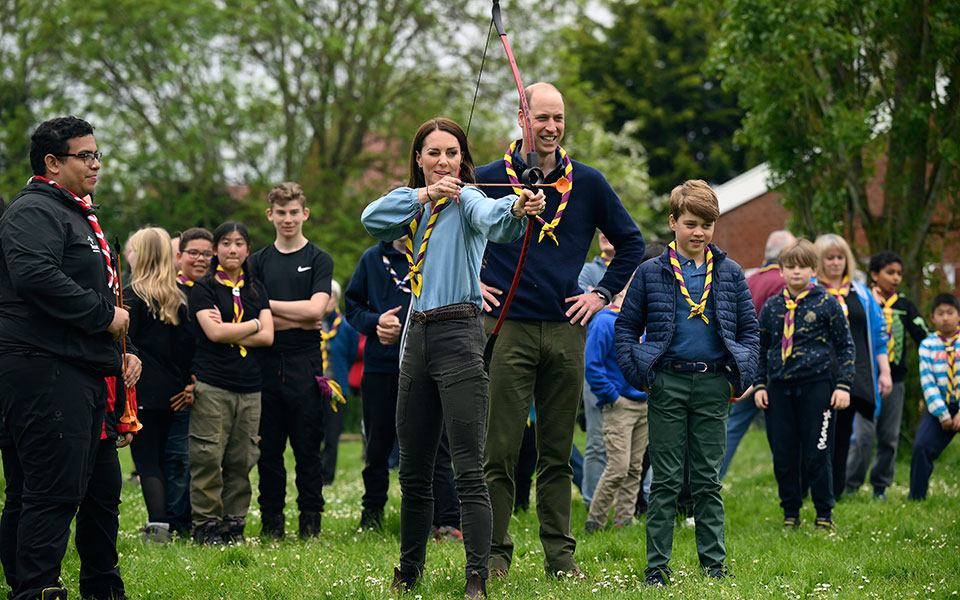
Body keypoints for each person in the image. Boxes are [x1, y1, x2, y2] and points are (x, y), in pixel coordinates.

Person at [361, 116, 544, 598]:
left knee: (467, 467)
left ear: (464, 159)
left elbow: (496, 220)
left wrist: (521, 205)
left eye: (452, 153)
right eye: (433, 153)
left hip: (459, 333)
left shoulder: (468, 200)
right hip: (416, 339)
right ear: (419, 160)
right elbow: (371, 219)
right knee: (415, 468)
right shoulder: (413, 207)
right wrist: (425, 195)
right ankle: (409, 569)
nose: (444, 161)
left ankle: (477, 576)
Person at [477, 82, 645, 578]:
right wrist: (472, 283)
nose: (550, 128)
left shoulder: (588, 183)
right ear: (522, 116)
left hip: (567, 329)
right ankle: (492, 556)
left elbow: (631, 243)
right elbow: (445, 234)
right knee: (501, 451)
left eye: (559, 118)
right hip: (506, 330)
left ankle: (561, 558)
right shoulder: (487, 179)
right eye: (541, 117)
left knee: (556, 454)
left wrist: (600, 294)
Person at [0, 116, 138, 600]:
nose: (96, 163)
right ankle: (35, 589)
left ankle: (102, 589)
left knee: (99, 492)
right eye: (86, 155)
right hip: (43, 370)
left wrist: (119, 351)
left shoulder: (72, 210)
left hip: (80, 370)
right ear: (52, 162)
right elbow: (34, 275)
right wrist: (105, 318)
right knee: (48, 493)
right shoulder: (33, 210)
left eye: (98, 154)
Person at [614, 179, 759, 586]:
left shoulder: (729, 272)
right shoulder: (649, 271)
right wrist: (642, 373)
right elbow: (626, 327)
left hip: (714, 385)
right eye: (692, 223)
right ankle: (656, 569)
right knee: (664, 480)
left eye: (708, 225)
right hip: (668, 384)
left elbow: (750, 330)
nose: (699, 233)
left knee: (708, 481)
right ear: (673, 222)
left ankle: (714, 567)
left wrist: (741, 375)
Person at [344, 236, 461, 537]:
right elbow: (352, 305)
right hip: (380, 365)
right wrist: (375, 323)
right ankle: (372, 517)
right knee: (377, 446)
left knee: (435, 444)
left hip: (427, 363)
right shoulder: (372, 258)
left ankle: (446, 520)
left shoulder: (434, 253)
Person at [247, 182, 333, 539]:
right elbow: (251, 316)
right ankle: (272, 525)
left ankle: (310, 525)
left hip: (306, 363)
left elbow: (317, 310)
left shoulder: (318, 259)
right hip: (265, 363)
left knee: (308, 450)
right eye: (280, 213)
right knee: (268, 452)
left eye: (293, 212)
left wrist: (267, 308)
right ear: (270, 215)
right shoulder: (257, 261)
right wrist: (291, 314)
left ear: (305, 214)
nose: (287, 219)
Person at [753, 239, 855, 530]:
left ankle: (824, 513)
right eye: (790, 267)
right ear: (781, 270)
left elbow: (846, 347)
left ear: (814, 269)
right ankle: (791, 512)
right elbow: (761, 349)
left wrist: (843, 385)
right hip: (779, 390)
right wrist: (760, 384)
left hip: (817, 388)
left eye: (802, 267)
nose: (796, 272)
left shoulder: (827, 303)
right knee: (784, 454)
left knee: (817, 452)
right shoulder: (772, 307)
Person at [189, 221, 274, 544]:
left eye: (239, 243)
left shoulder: (257, 290)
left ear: (248, 250)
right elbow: (213, 333)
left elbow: (268, 337)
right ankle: (206, 525)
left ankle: (233, 524)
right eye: (226, 243)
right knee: (208, 455)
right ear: (215, 249)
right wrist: (253, 324)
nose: (233, 249)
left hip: (250, 386)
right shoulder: (205, 288)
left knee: (242, 458)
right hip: (213, 384)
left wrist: (235, 328)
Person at [125, 227, 193, 543]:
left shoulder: (131, 295)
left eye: (130, 250)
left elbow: (126, 343)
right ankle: (173, 520)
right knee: (167, 460)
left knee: (147, 462)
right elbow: (185, 350)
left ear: (141, 255)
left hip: (141, 391)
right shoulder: (178, 298)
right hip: (172, 392)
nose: (127, 255)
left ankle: (159, 527)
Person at [813, 234, 891, 501]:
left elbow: (880, 336)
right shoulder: (811, 290)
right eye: (829, 258)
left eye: (840, 257)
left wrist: (885, 371)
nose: (836, 263)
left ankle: (835, 491)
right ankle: (812, 488)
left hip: (856, 375)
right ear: (819, 261)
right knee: (820, 434)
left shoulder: (862, 293)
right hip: (818, 374)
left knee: (844, 434)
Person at [845, 251, 929, 499]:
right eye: (889, 273)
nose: (895, 278)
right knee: (862, 435)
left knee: (889, 437)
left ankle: (880, 486)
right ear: (874, 274)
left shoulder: (904, 305)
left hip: (896, 380)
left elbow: (924, 336)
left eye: (899, 273)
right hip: (865, 379)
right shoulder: (862, 301)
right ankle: (850, 485)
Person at [720, 230, 795, 479]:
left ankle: (711, 480)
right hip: (774, 369)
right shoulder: (785, 283)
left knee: (733, 428)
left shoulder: (750, 280)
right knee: (787, 431)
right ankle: (793, 485)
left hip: (745, 367)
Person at [584, 280, 647, 532]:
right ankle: (595, 520)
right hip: (619, 405)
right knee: (618, 467)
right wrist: (612, 397)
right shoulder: (604, 322)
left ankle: (624, 521)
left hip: (643, 404)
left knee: (634, 468)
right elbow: (593, 365)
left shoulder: (643, 322)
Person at [165, 227, 214, 537]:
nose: (201, 259)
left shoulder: (215, 290)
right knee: (177, 457)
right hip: (178, 386)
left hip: (211, 382)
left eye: (207, 253)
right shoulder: (170, 291)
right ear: (180, 255)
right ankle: (175, 521)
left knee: (209, 458)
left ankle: (203, 519)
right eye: (194, 253)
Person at [908, 293, 960, 500]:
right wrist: (942, 414)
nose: (945, 318)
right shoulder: (928, 345)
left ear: (958, 316)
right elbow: (927, 380)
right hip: (940, 407)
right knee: (921, 446)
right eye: (940, 313)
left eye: (950, 313)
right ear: (932, 318)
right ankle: (916, 497)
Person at [578, 232, 615, 506]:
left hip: (628, 364)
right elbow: (583, 307)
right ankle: (592, 501)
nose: (603, 233)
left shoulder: (637, 269)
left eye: (609, 228)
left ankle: (634, 501)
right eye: (600, 229)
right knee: (596, 440)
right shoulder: (587, 269)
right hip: (596, 363)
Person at [318, 280, 359, 485]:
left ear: (336, 299)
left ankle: (327, 477)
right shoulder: (311, 322)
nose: (327, 299)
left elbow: (352, 355)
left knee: (332, 437)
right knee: (313, 434)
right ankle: (313, 474)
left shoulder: (346, 327)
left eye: (331, 295)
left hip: (336, 388)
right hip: (312, 387)